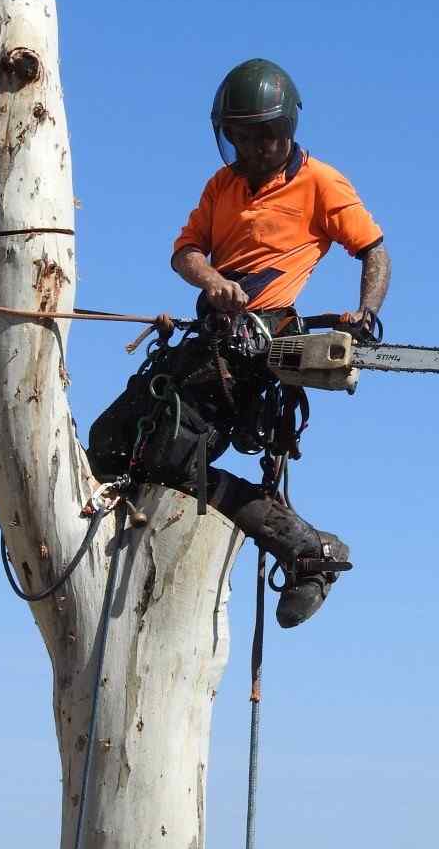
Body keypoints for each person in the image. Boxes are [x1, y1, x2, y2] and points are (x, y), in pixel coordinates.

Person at [89, 58, 391, 628]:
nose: (253, 148)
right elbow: (185, 252)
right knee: (111, 444)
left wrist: (366, 313)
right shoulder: (221, 186)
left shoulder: (321, 183)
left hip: (260, 345)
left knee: (173, 457)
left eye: (264, 136)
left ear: (288, 129)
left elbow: (374, 249)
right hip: (212, 338)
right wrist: (212, 281)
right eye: (241, 137)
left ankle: (306, 549)